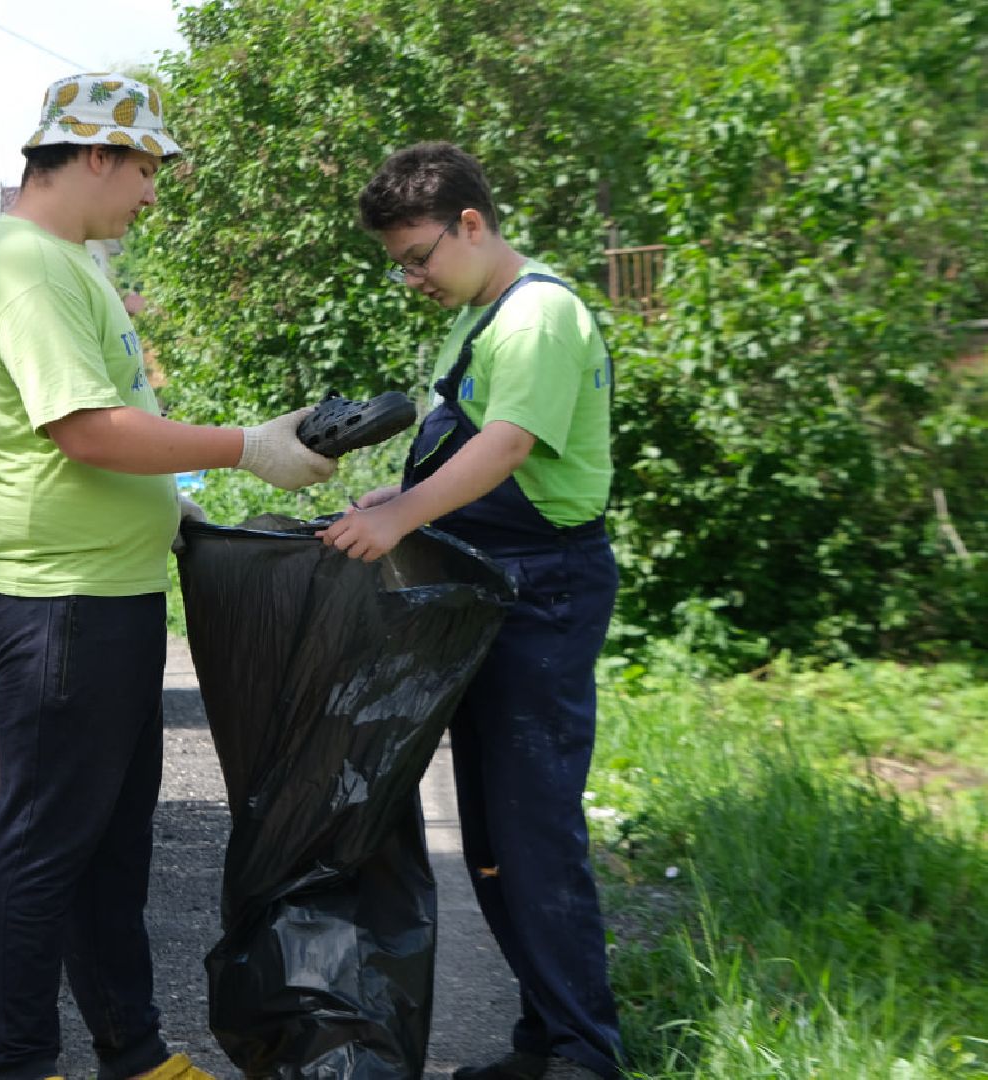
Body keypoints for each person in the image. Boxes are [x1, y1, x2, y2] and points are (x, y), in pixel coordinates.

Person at [0, 72, 336, 1080]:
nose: (153, 193)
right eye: (147, 168)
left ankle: (136, 1056)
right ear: (96, 154)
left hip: (101, 592)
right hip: (57, 597)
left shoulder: (65, 264)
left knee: (108, 848)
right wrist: (249, 445)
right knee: (44, 846)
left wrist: (172, 505)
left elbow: (95, 427)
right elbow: (85, 429)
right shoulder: (27, 267)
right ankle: (26, 1066)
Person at [319, 142, 623, 1080]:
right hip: (495, 579)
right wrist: (398, 499)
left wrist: (403, 515)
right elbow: (466, 449)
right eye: (400, 264)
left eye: (418, 257)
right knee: (492, 835)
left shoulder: (535, 316)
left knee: (533, 831)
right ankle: (543, 1042)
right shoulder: (479, 318)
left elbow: (507, 444)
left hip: (543, 587)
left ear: (471, 223)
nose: (412, 277)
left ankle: (583, 1053)